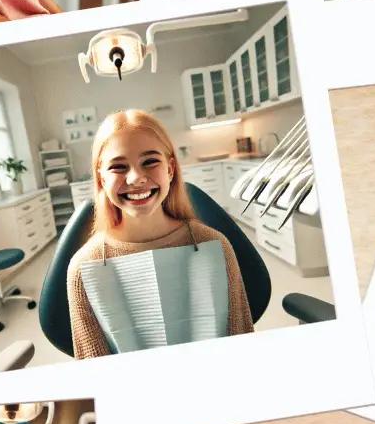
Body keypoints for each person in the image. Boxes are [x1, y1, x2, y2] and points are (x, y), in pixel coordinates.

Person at [66, 109, 253, 357]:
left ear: (170, 169)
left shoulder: (215, 246)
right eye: (118, 167)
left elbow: (241, 345)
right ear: (101, 178)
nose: (136, 178)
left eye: (150, 162)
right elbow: (94, 367)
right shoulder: (83, 268)